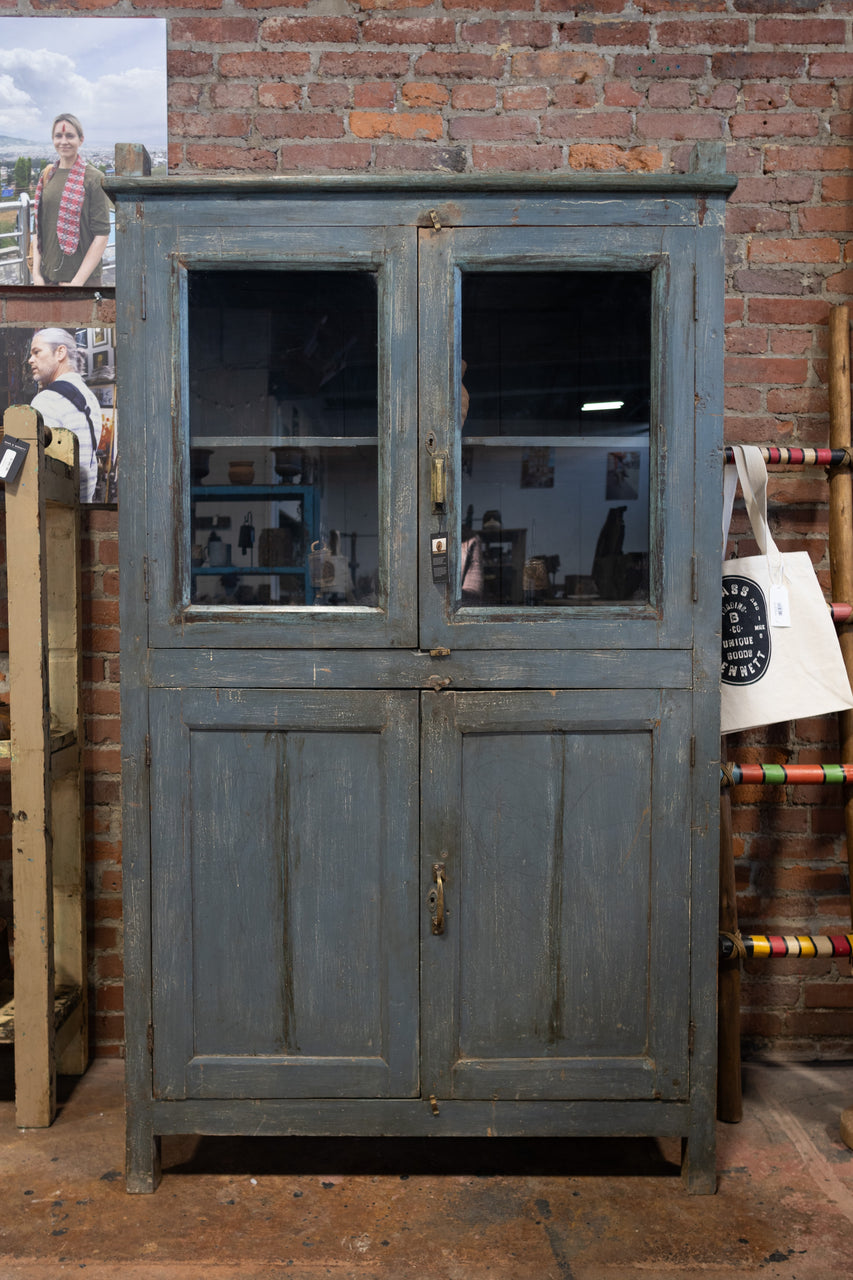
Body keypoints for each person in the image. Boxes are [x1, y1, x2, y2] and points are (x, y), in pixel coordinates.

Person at [31, 113, 111, 287]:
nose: (64, 141)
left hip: (83, 281)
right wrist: (36, 274)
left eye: (70, 136)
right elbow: (38, 231)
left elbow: (102, 235)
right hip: (47, 279)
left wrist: (77, 282)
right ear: (53, 139)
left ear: (81, 140)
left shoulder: (93, 178)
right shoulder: (47, 176)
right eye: (58, 136)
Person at [29, 327, 101, 502]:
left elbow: (27, 474)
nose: (30, 360)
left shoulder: (47, 400)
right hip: (82, 507)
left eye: (37, 352)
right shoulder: (88, 396)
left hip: (55, 513)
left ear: (60, 352)